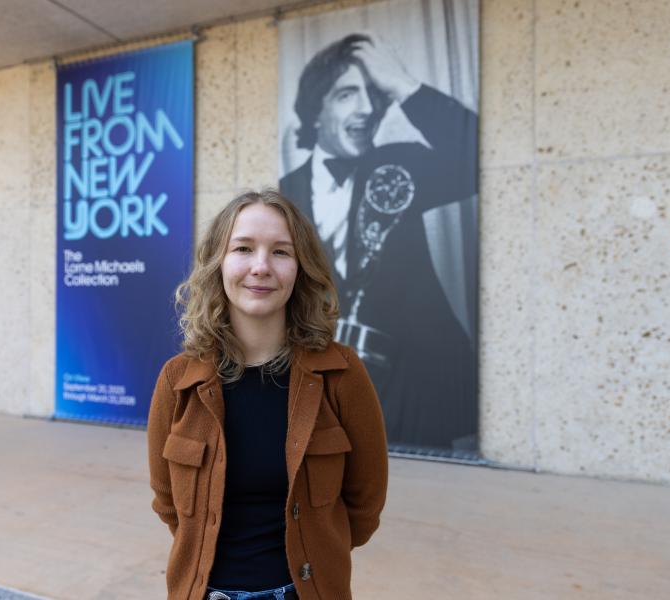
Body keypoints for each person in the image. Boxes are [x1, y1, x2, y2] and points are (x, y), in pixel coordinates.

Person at [147, 189, 389, 600]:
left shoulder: (342, 375)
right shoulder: (177, 381)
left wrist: (320, 551)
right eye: (243, 248)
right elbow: (169, 504)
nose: (261, 267)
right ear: (218, 263)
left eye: (281, 252)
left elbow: (364, 506)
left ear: (301, 268)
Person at [279, 33, 479, 452]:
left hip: (416, 390)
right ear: (316, 110)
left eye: (375, 94)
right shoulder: (283, 194)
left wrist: (405, 88)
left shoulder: (399, 164)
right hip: (324, 393)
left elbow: (476, 155)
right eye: (348, 94)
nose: (367, 110)